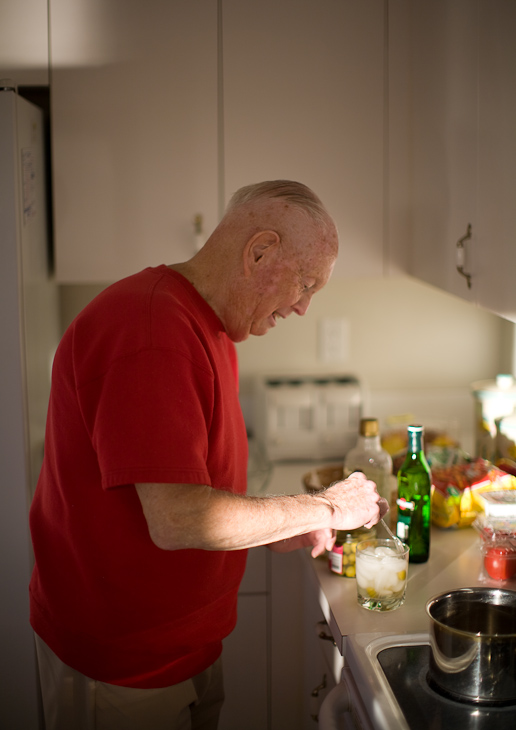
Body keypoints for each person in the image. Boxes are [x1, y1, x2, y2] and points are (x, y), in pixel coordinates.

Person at [29, 180, 388, 730]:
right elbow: (177, 518)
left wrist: (279, 523)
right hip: (122, 669)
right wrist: (327, 507)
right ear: (260, 251)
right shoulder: (151, 330)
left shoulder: (208, 325)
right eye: (306, 283)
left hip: (176, 652)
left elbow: (194, 491)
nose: (303, 306)